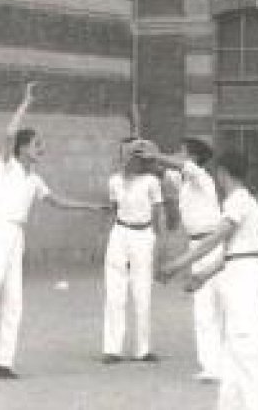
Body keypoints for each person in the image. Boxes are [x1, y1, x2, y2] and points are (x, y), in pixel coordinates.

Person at [0, 81, 112, 378]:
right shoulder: (7, 166)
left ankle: (2, 361)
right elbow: (9, 133)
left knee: (13, 299)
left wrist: (94, 208)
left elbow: (59, 202)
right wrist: (25, 102)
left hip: (16, 236)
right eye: (36, 144)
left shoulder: (35, 180)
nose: (41, 149)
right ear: (21, 149)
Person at [159, 150, 258, 410]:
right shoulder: (241, 201)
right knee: (233, 347)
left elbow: (215, 239)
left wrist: (177, 264)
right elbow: (230, 251)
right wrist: (203, 275)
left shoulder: (238, 200)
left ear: (223, 173)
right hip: (237, 268)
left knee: (245, 342)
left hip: (244, 275)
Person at [142, 138, 224, 381]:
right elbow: (161, 170)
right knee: (204, 309)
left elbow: (177, 165)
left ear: (194, 158)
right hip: (198, 245)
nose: (177, 155)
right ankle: (212, 366)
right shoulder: (184, 181)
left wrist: (156, 155)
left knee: (221, 306)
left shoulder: (202, 177)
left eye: (182, 152)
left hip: (212, 244)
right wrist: (144, 153)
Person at [101, 139, 165, 364]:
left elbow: (158, 214)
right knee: (114, 292)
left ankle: (143, 349)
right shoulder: (114, 181)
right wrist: (108, 238)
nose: (129, 159)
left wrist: (159, 244)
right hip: (120, 234)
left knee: (142, 291)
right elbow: (113, 210)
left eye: (134, 154)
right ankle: (112, 349)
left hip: (143, 235)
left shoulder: (151, 182)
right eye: (126, 154)